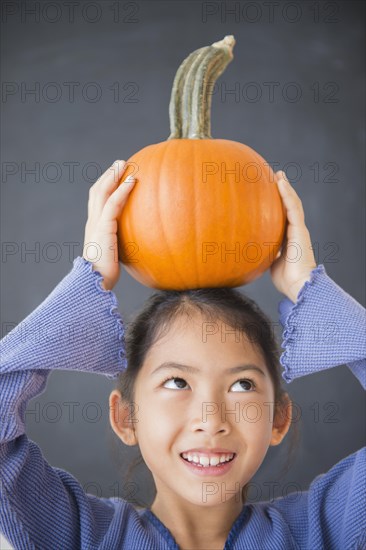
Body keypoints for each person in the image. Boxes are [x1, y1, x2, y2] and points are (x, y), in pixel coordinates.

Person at [0, 161, 365, 550]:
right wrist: (89, 278)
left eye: (242, 385)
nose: (211, 421)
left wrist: (307, 287)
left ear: (279, 418)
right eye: (177, 382)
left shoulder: (323, 529)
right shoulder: (77, 533)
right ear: (125, 416)